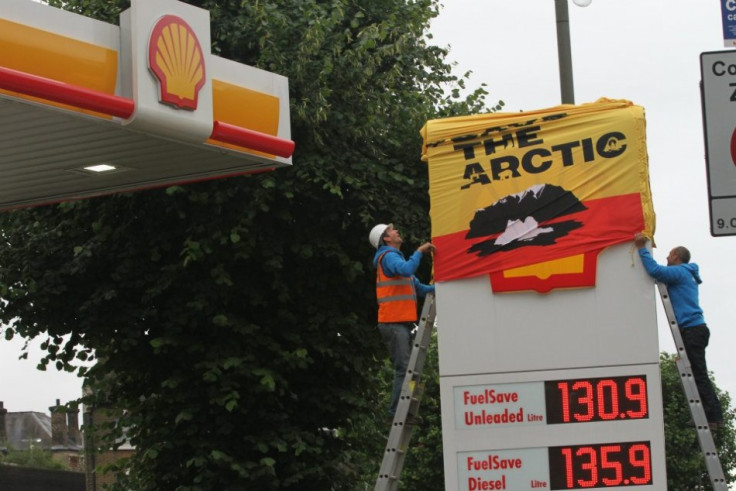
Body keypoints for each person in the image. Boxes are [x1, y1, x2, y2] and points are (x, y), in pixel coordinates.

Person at [633, 233, 724, 430]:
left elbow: (655, 271)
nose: (666, 258)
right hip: (694, 329)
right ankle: (710, 416)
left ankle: (713, 417)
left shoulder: (680, 272)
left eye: (669, 255)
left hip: (692, 329)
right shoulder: (687, 274)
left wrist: (641, 248)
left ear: (676, 256)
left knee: (699, 375)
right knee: (697, 372)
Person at [369, 223, 435, 421]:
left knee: (408, 368)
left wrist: (442, 288)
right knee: (404, 368)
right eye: (392, 231)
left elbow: (421, 288)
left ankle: (402, 412)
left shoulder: (396, 259)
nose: (397, 231)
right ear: (386, 239)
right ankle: (395, 414)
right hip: (393, 322)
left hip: (400, 323)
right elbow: (407, 271)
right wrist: (420, 251)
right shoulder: (388, 257)